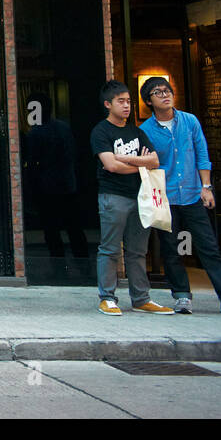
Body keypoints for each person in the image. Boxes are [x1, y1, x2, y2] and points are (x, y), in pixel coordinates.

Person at [138, 77, 221, 315]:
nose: (164, 94)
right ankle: (181, 296)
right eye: (157, 92)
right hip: (166, 198)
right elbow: (147, 166)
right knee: (170, 250)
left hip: (192, 194)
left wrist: (206, 186)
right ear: (149, 101)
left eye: (167, 90)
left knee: (208, 245)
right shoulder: (145, 131)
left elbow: (202, 154)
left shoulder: (190, 121)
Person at [90, 80, 173, 316]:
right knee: (110, 249)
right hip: (113, 196)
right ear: (108, 104)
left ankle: (141, 298)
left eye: (128, 101)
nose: (127, 106)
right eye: (121, 101)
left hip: (140, 196)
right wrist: (140, 163)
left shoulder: (137, 131)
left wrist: (126, 160)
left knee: (137, 251)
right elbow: (110, 166)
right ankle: (107, 297)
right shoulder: (101, 131)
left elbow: (155, 161)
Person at [19, 92, 87, 260]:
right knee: (74, 227)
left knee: (51, 228)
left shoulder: (35, 133)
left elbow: (33, 162)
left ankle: (58, 262)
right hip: (68, 184)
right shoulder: (64, 127)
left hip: (46, 187)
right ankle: (82, 259)